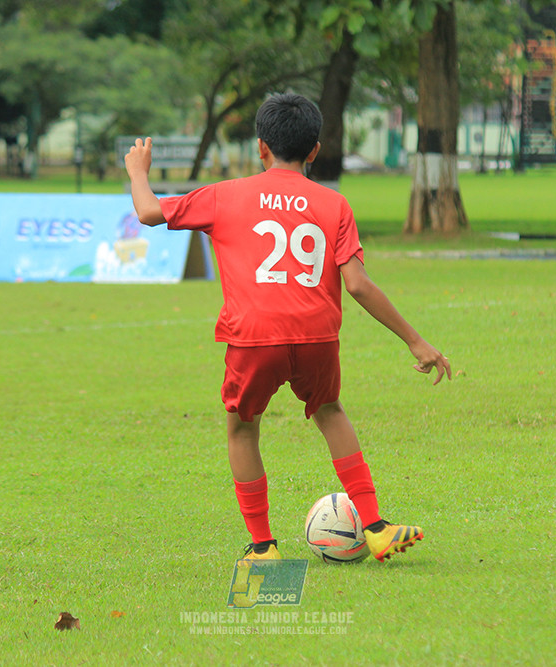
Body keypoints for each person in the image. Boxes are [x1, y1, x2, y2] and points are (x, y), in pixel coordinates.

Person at [125, 93, 451, 562]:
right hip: (317, 335)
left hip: (254, 337)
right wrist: (416, 341)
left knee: (242, 430)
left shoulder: (224, 195)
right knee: (330, 411)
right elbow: (358, 285)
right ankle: (376, 527)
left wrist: (138, 172)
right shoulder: (334, 204)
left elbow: (148, 213)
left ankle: (263, 547)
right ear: (314, 150)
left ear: (261, 147)